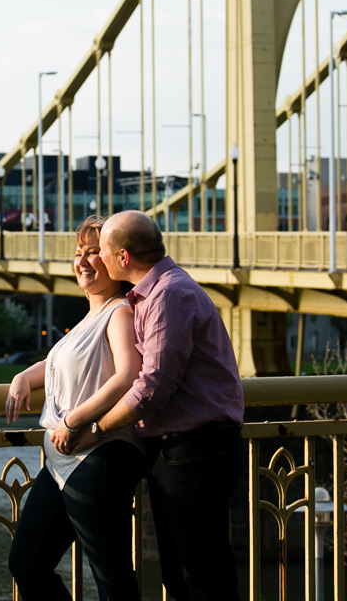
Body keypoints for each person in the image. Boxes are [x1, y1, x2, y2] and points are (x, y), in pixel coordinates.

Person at [59, 209, 245, 601]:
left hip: (197, 451)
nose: (98, 261)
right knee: (181, 577)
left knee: (202, 578)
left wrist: (94, 429)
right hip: (180, 451)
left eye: (102, 252)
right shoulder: (151, 294)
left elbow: (152, 388)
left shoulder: (169, 295)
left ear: (122, 258)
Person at [5, 215, 147, 601]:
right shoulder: (89, 318)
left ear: (114, 261)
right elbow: (57, 364)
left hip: (98, 458)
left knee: (112, 578)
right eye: (77, 253)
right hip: (61, 464)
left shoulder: (119, 312)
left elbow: (127, 375)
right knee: (26, 563)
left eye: (93, 253)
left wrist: (72, 420)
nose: (82, 261)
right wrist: (23, 378)